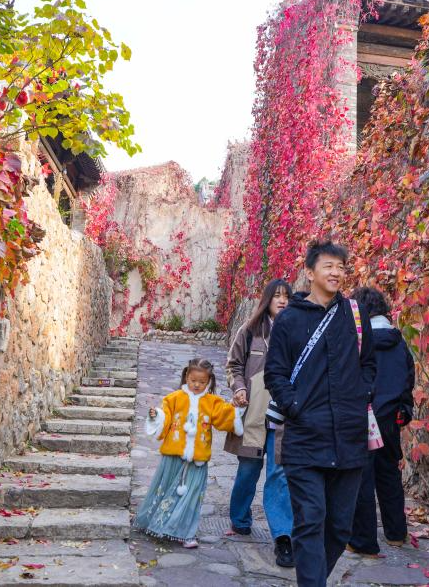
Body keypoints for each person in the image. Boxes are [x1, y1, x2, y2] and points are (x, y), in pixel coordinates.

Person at [264, 239, 376, 587]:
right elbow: (274, 373)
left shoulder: (355, 315)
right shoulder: (290, 320)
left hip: (349, 439)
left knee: (340, 526)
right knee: (310, 519)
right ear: (310, 272)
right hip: (305, 438)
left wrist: (361, 396)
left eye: (341, 267)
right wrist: (295, 407)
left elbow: (370, 364)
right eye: (328, 265)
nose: (336, 272)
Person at [134, 358, 243, 548]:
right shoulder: (174, 398)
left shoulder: (212, 402)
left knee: (192, 496)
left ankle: (186, 533)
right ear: (186, 376)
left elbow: (224, 417)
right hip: (173, 456)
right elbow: (165, 414)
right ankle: (158, 523)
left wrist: (236, 408)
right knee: (166, 490)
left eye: (202, 382)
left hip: (198, 459)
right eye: (193, 380)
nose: (197, 385)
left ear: (208, 381)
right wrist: (156, 415)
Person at [224, 278, 295, 567]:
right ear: (267, 299)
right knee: (248, 471)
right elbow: (234, 365)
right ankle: (240, 518)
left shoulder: (296, 333)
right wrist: (239, 387)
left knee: (279, 476)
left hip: (284, 420)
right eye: (277, 296)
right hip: (253, 415)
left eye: (286, 297)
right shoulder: (250, 330)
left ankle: (282, 537)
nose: (282, 301)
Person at [346, 286, 414, 556]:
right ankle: (396, 533)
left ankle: (362, 539)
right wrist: (403, 409)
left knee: (362, 476)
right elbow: (409, 378)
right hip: (392, 416)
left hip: (366, 413)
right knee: (389, 474)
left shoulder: (359, 341)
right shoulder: (400, 342)